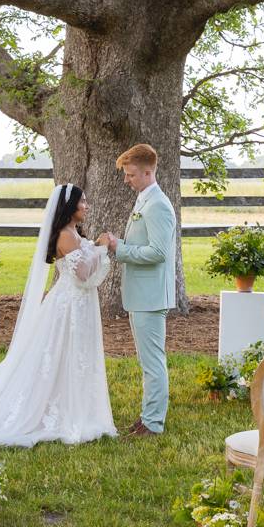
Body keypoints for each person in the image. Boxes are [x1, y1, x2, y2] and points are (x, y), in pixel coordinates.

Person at [0, 184, 116, 447]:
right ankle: (59, 411)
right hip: (68, 306)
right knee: (60, 354)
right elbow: (82, 274)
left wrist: (97, 247)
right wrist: (99, 247)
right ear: (69, 206)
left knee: (77, 355)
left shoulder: (74, 232)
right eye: (82, 202)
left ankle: (78, 406)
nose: (86, 206)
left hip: (81, 304)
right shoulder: (65, 235)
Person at [96, 143, 176, 437]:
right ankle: (148, 416)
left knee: (153, 362)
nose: (126, 180)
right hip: (141, 294)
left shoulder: (158, 205)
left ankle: (153, 423)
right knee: (147, 360)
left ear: (147, 171)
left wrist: (120, 248)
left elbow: (158, 252)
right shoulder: (145, 199)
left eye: (130, 175)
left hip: (151, 296)